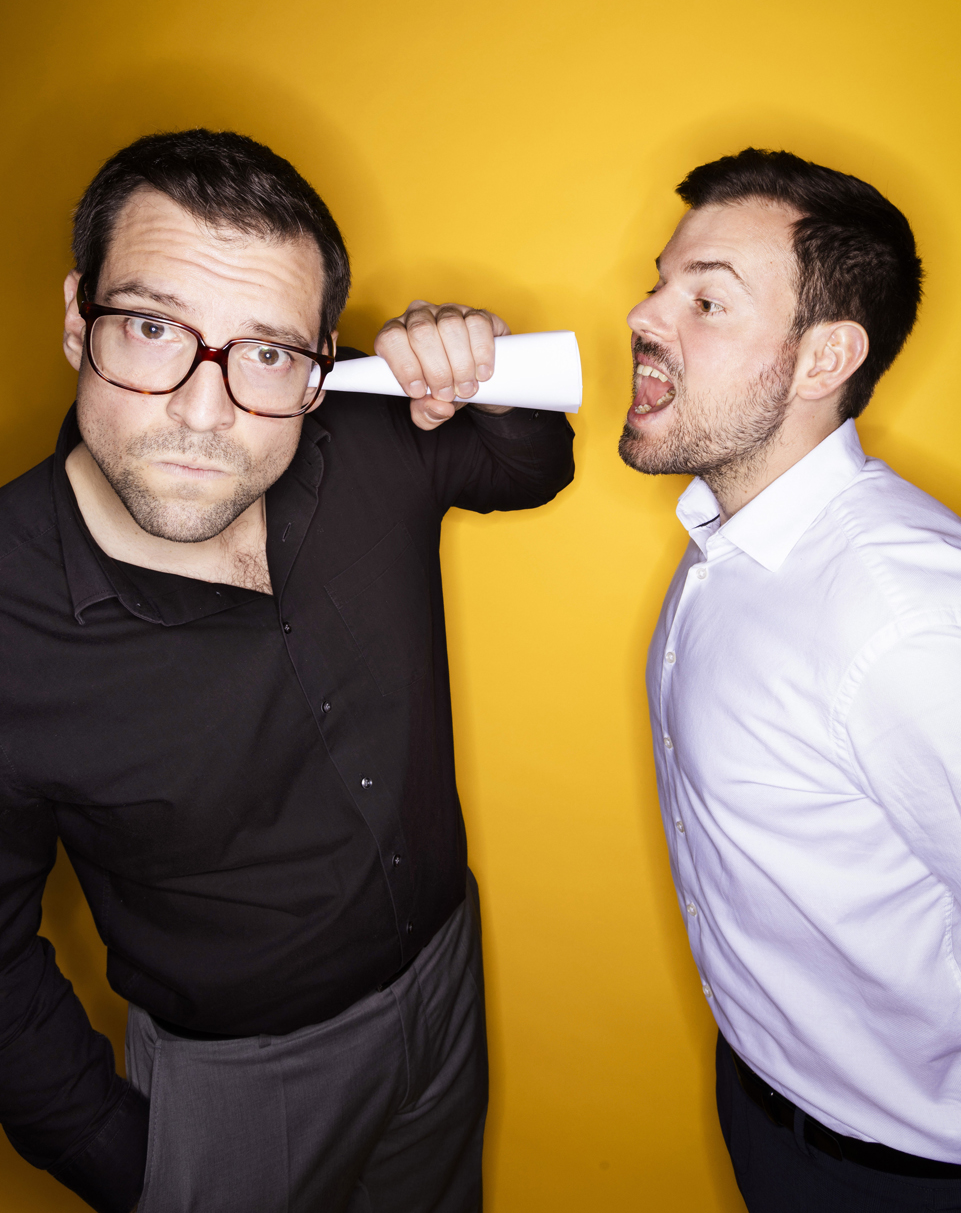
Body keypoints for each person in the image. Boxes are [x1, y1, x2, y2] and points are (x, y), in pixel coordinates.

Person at [0, 128, 574, 1213]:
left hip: (445, 983)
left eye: (266, 352)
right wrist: (132, 1164)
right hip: (240, 1085)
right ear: (78, 317)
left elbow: (527, 466)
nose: (203, 411)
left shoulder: (365, 428)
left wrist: (482, 373)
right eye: (153, 328)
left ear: (319, 365)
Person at [619, 147, 961, 1211]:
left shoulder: (913, 623)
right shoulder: (731, 534)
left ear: (825, 356)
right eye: (659, 285)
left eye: (706, 301)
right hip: (769, 1101)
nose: (644, 317)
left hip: (913, 1176)